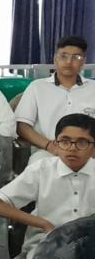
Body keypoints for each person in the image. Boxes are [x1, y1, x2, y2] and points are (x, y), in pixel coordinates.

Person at [0, 113, 95, 259]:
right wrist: (43, 223)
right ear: (55, 144)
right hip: (49, 243)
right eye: (65, 141)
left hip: (91, 244)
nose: (72, 148)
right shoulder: (42, 169)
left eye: (82, 142)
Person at [16, 35, 95, 163]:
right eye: (63, 56)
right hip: (48, 152)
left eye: (76, 57)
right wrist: (49, 145)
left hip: (89, 152)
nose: (69, 62)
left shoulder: (93, 88)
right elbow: (22, 126)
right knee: (38, 168)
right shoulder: (37, 87)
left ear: (83, 62)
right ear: (55, 59)